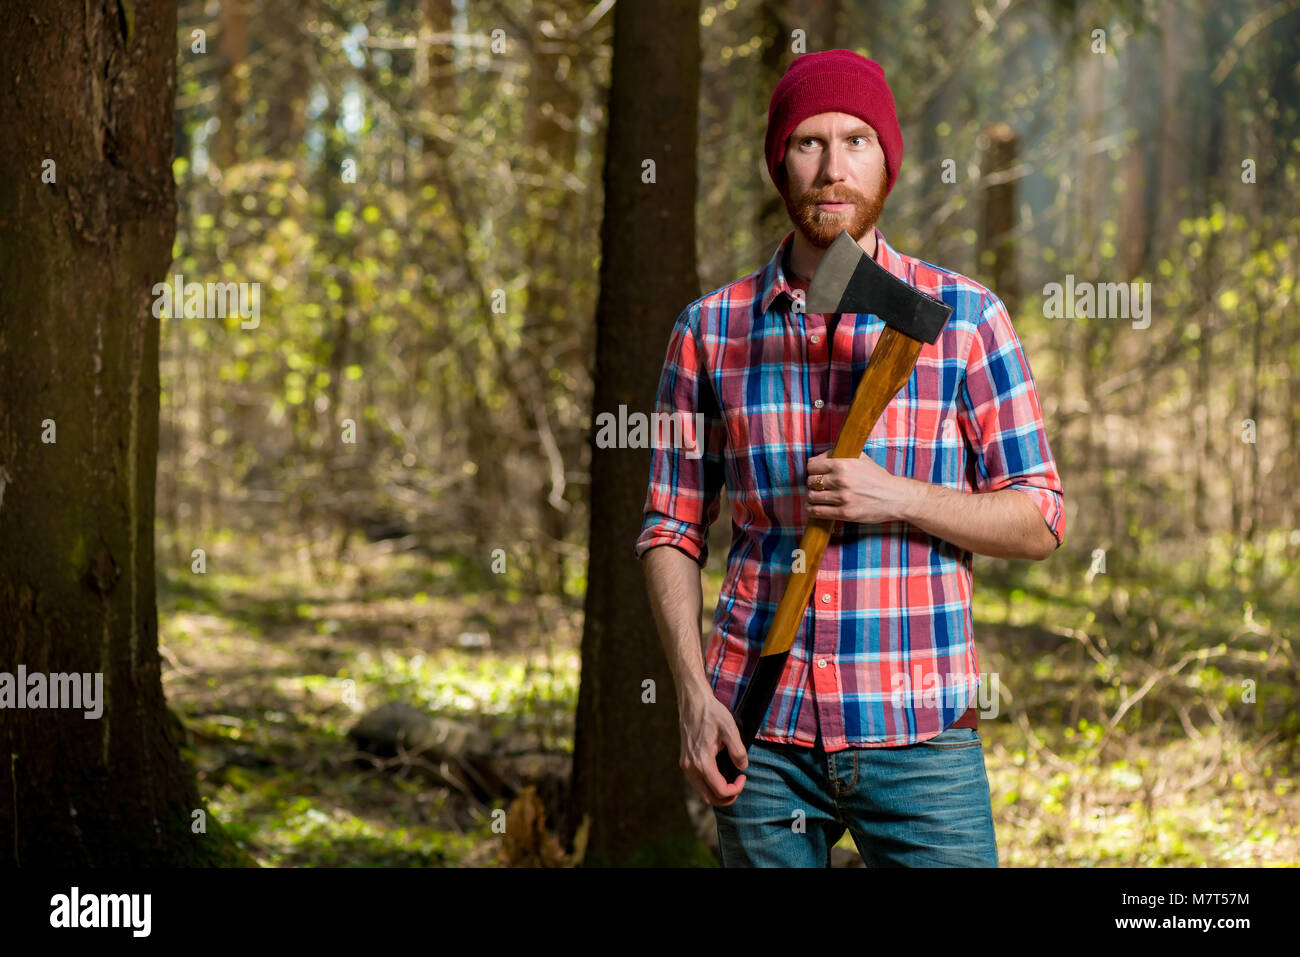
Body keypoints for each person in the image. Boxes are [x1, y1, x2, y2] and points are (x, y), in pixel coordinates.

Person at [634, 49, 1065, 867]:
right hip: (760, 730)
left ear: (888, 161)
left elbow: (1041, 517)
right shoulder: (711, 330)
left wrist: (895, 494)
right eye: (808, 142)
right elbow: (669, 526)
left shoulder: (966, 319)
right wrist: (693, 696)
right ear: (778, 162)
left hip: (920, 733)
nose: (833, 169)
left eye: (857, 141)